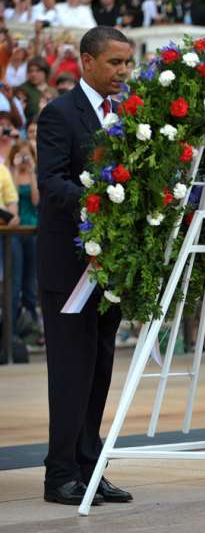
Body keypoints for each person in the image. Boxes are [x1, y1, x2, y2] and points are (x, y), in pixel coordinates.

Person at [36, 25, 132, 506]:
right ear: (87, 62)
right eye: (115, 62)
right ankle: (60, 475)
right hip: (69, 265)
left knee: (99, 368)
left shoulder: (128, 116)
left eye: (127, 62)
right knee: (71, 371)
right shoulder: (59, 115)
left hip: (109, 265)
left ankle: (90, 467)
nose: (123, 71)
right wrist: (101, 202)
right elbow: (51, 183)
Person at [8, 141, 41, 344]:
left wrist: (31, 172)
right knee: (14, 284)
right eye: (20, 155)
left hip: (32, 232)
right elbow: (10, 197)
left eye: (26, 154)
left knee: (30, 284)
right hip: (13, 233)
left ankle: (33, 329)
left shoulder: (33, 174)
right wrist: (14, 167)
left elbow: (37, 201)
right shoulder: (8, 175)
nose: (24, 158)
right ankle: (11, 332)